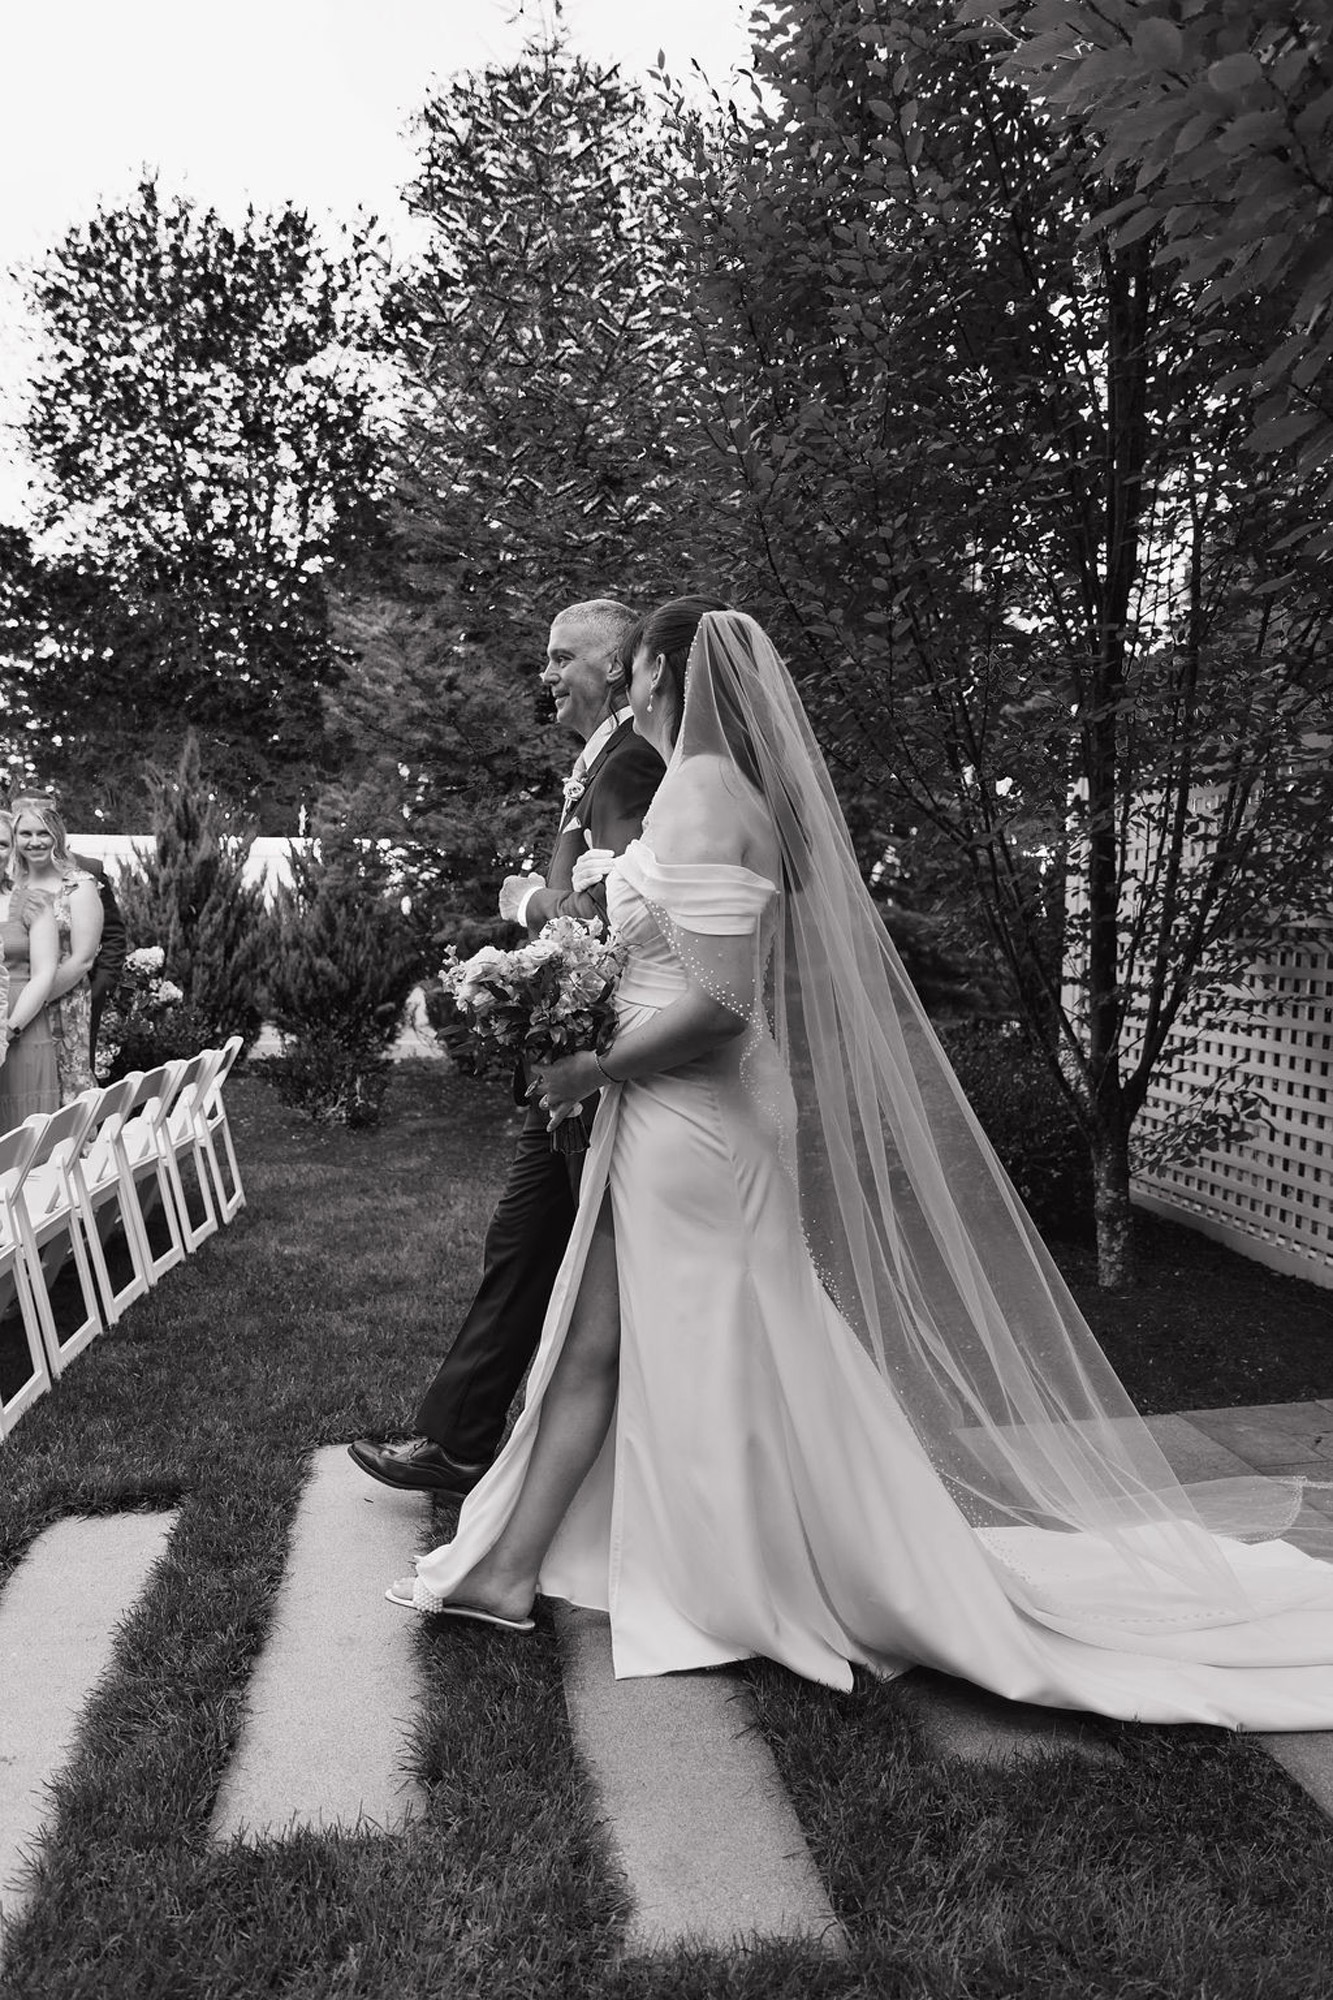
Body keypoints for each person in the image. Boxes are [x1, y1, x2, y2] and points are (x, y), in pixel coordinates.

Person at [387, 601, 1333, 1733]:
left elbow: (722, 1006)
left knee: (726, 1345)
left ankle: (775, 1569)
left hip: (692, 1117)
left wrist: (588, 1064)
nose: (622, 681)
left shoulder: (701, 792)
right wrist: (570, 999)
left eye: (630, 661)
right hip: (661, 1107)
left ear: (660, 670)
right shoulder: (711, 788)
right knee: (592, 1338)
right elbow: (665, 954)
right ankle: (505, 1570)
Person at [349, 598, 667, 1499]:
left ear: (615, 667)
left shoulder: (632, 763)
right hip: (574, 1059)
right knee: (524, 1242)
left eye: (562, 657)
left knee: (589, 1260)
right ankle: (459, 1440)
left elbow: (618, 917)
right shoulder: (601, 760)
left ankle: (593, 1458)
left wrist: (527, 904)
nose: (545, 673)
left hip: (607, 1062)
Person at [8, 797, 104, 1104]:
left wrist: (36, 1000)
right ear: (14, 838)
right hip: (13, 1003)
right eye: (26, 834)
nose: (35, 842)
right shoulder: (12, 885)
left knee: (66, 1087)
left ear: (56, 836)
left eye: (43, 833)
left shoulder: (78, 885)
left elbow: (83, 959)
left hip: (62, 1002)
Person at [0, 808, 62, 1132]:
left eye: (1, 844)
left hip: (21, 1028)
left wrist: (8, 1031)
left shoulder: (34, 902)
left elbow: (44, 973)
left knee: (22, 1132)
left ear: (12, 850)